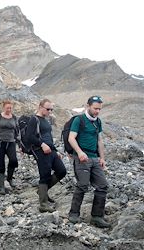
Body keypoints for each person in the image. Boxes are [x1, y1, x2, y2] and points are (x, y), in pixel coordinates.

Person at [68, 96, 110, 228]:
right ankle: (73, 214)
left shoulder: (98, 122)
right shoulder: (78, 120)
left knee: (102, 185)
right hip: (82, 157)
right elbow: (71, 138)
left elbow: (99, 140)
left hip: (94, 158)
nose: (97, 111)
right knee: (83, 184)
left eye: (99, 109)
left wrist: (102, 158)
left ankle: (97, 216)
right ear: (88, 106)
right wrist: (79, 152)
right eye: (95, 108)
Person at [26, 99, 66, 212]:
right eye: (48, 109)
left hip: (51, 150)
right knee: (45, 175)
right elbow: (29, 136)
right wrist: (42, 144)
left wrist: (55, 150)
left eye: (51, 109)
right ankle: (43, 204)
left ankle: (42, 191)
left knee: (61, 171)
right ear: (40, 107)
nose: (50, 111)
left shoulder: (46, 121)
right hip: (40, 150)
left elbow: (48, 137)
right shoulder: (34, 119)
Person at [0, 100, 19, 195]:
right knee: (0, 164)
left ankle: (10, 179)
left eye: (10, 108)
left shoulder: (14, 117)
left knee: (13, 160)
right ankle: (2, 186)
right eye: (7, 108)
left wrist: (20, 143)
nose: (9, 110)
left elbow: (17, 131)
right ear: (3, 108)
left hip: (11, 142)